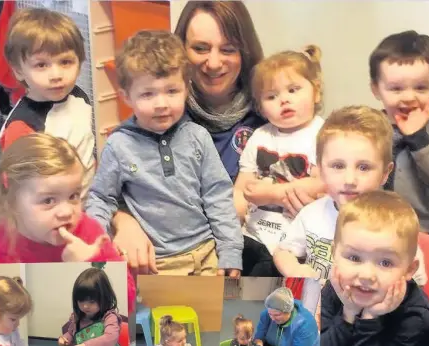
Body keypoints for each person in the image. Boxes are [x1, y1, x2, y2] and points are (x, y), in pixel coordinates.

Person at [110, 1, 320, 275]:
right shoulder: (158, 116)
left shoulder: (274, 113)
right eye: (200, 48)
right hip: (173, 263)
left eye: (228, 49)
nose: (213, 62)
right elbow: (107, 190)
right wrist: (124, 222)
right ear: (180, 50)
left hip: (265, 261)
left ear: (244, 51)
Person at [85, 30, 242, 277]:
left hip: (208, 254)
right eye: (148, 94)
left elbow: (218, 196)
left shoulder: (198, 137)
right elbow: (101, 199)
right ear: (126, 96)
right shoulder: (119, 145)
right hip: (159, 264)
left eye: (171, 91)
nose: (161, 104)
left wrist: (231, 250)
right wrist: (97, 247)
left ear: (185, 89)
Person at [273, 105, 427, 286]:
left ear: (385, 173)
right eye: (338, 166)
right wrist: (295, 269)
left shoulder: (397, 222)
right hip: (319, 307)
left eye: (364, 167)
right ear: (321, 170)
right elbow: (283, 251)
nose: (350, 179)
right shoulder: (311, 214)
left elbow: (416, 281)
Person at [0, 133, 135, 312]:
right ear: (12, 202)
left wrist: (91, 264)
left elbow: (127, 302)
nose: (67, 212)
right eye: (48, 201)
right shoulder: (6, 235)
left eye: (73, 196)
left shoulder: (89, 233)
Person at [235, 45, 326, 277]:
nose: (284, 100)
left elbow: (321, 185)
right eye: (272, 96)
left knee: (284, 305)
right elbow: (242, 187)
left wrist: (271, 193)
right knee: (237, 299)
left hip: (296, 245)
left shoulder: (324, 135)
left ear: (316, 92)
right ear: (261, 107)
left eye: (293, 90)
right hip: (253, 235)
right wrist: (231, 225)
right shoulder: (260, 136)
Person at [320, 190, 429, 345]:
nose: (366, 275)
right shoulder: (336, 287)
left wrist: (369, 318)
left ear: (409, 270)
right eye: (354, 258)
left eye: (385, 263)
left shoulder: (416, 317)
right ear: (334, 254)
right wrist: (349, 315)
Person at [0, 8, 95, 198]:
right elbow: (18, 188)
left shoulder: (79, 97)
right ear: (19, 70)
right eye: (41, 65)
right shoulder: (21, 127)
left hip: (90, 201)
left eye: (66, 62)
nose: (56, 75)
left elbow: (86, 148)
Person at [369, 30, 429, 235]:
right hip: (367, 224)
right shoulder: (367, 126)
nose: (408, 97)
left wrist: (419, 137)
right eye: (396, 89)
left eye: (421, 88)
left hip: (417, 230)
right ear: (377, 90)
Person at [59, 268, 122, 346]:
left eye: (91, 301)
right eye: (81, 300)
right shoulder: (76, 318)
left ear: (104, 298)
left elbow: (111, 337)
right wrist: (64, 339)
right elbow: (71, 334)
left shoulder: (109, 317)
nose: (85, 306)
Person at [254, 287, 319, 346]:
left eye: (277, 315)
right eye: (270, 314)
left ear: (289, 311)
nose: (272, 318)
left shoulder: (305, 326)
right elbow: (259, 337)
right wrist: (259, 343)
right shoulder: (266, 314)